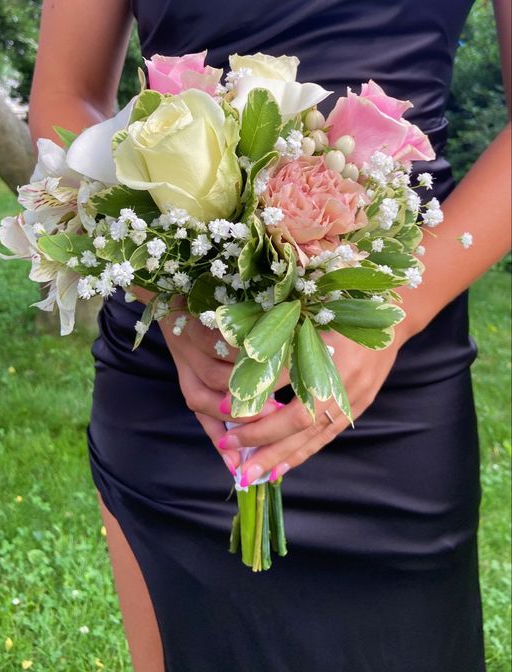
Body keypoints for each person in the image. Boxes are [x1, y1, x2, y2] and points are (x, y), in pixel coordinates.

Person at [29, 1, 511, 670]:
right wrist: (170, 301)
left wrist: (399, 306)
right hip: (183, 387)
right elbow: (66, 95)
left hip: (389, 390)